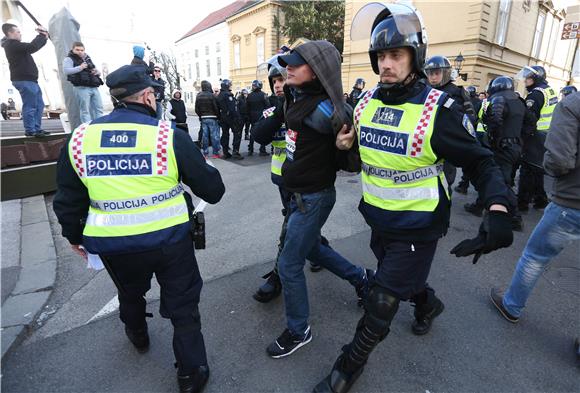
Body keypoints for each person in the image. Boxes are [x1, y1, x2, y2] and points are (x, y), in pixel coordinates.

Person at [313, 4, 513, 392]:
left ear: (415, 57)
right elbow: (358, 161)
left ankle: (348, 366)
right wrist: (343, 147)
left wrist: (498, 206)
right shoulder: (367, 104)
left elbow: (482, 162)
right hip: (379, 220)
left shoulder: (439, 110)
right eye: (381, 56)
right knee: (401, 280)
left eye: (396, 55)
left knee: (382, 299)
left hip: (419, 225)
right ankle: (427, 303)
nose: (386, 64)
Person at [53, 64, 225, 393]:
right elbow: (213, 192)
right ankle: (190, 373)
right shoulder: (167, 136)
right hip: (171, 241)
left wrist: (75, 238)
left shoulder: (80, 139)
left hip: (114, 246)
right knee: (183, 304)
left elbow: (68, 199)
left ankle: (137, 334)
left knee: (129, 292)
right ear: (147, 96)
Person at [265, 41, 372, 359]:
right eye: (287, 63)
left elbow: (354, 157)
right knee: (312, 249)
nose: (288, 68)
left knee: (288, 263)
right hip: (300, 196)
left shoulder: (325, 109)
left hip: (313, 199)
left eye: (296, 64)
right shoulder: (299, 99)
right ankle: (362, 278)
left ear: (318, 70)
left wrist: (344, 146)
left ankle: (299, 331)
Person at [490, 91, 580, 364]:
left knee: (535, 257)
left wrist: (551, 171)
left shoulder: (573, 104)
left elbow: (559, 160)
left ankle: (511, 306)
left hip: (573, 200)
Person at [250, 54, 325, 303]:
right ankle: (320, 254)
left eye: (282, 79)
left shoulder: (309, 108)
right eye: (274, 82)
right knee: (301, 229)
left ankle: (277, 278)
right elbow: (259, 135)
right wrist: (281, 113)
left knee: (290, 231)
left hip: (305, 182)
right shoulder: (273, 110)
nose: (278, 85)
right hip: (282, 179)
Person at [463, 77, 525, 231]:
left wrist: (493, 139)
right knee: (490, 176)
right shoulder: (519, 101)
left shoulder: (500, 100)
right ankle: (479, 205)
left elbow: (495, 122)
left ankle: (515, 217)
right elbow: (530, 122)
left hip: (502, 148)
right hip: (515, 146)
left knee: (501, 181)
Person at [424, 55, 477, 190]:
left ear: (446, 73)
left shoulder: (458, 92)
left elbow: (471, 119)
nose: (433, 77)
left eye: (437, 73)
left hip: (446, 142)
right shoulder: (423, 91)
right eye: (430, 74)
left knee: (445, 182)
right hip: (424, 142)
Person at [516, 65, 557, 212]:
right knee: (537, 168)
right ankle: (540, 199)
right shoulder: (549, 90)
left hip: (535, 135)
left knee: (527, 169)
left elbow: (530, 119)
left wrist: (522, 138)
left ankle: (522, 203)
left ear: (536, 78)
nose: (525, 80)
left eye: (528, 78)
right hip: (546, 134)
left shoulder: (536, 94)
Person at [1, 23, 49, 137]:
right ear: (10, 33)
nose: (20, 33)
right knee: (31, 105)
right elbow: (32, 47)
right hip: (24, 79)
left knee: (39, 105)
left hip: (30, 80)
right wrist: (42, 36)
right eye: (18, 32)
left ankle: (36, 129)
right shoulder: (11, 45)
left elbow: (31, 48)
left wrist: (43, 37)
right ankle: (30, 130)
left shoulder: (14, 45)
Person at [63, 41, 104, 123]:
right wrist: (80, 67)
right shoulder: (68, 59)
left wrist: (97, 72)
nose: (80, 52)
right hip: (81, 88)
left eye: (82, 50)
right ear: (73, 49)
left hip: (93, 87)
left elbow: (94, 69)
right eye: (77, 50)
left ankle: (99, 126)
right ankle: (87, 129)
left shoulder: (87, 58)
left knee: (99, 109)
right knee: (85, 111)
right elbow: (66, 71)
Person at [454, 85, 483, 194]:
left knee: (468, 161)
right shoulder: (478, 102)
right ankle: (464, 183)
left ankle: (464, 184)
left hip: (467, 133)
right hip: (476, 133)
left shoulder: (466, 101)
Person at [216, 79, 243, 160]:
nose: (231, 86)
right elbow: (232, 109)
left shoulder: (219, 95)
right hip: (231, 118)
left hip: (222, 117)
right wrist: (238, 117)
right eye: (230, 84)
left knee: (225, 134)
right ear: (227, 85)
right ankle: (235, 152)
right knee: (237, 133)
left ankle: (225, 152)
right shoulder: (228, 95)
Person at [195, 80, 222, 158]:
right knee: (214, 136)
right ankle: (215, 153)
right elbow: (216, 107)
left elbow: (196, 108)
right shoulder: (212, 95)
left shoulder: (198, 96)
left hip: (203, 118)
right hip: (213, 117)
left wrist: (200, 116)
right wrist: (218, 116)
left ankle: (205, 153)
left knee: (205, 136)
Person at [246, 80, 270, 156]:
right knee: (263, 132)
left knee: (252, 133)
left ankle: (250, 149)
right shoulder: (263, 95)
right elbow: (268, 106)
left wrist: (248, 117)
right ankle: (262, 150)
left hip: (252, 116)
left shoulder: (249, 95)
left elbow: (246, 107)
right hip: (261, 116)